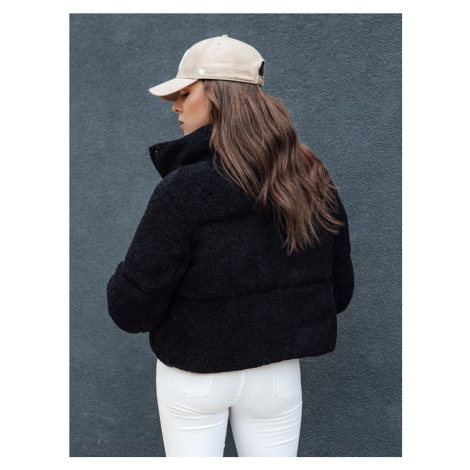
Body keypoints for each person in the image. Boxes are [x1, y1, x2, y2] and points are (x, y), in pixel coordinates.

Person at [107, 35, 354, 457]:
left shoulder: (182, 190)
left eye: (185, 93)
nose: (175, 107)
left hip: (195, 374)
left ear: (217, 95)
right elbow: (339, 292)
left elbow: (131, 309)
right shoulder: (310, 177)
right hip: (276, 377)